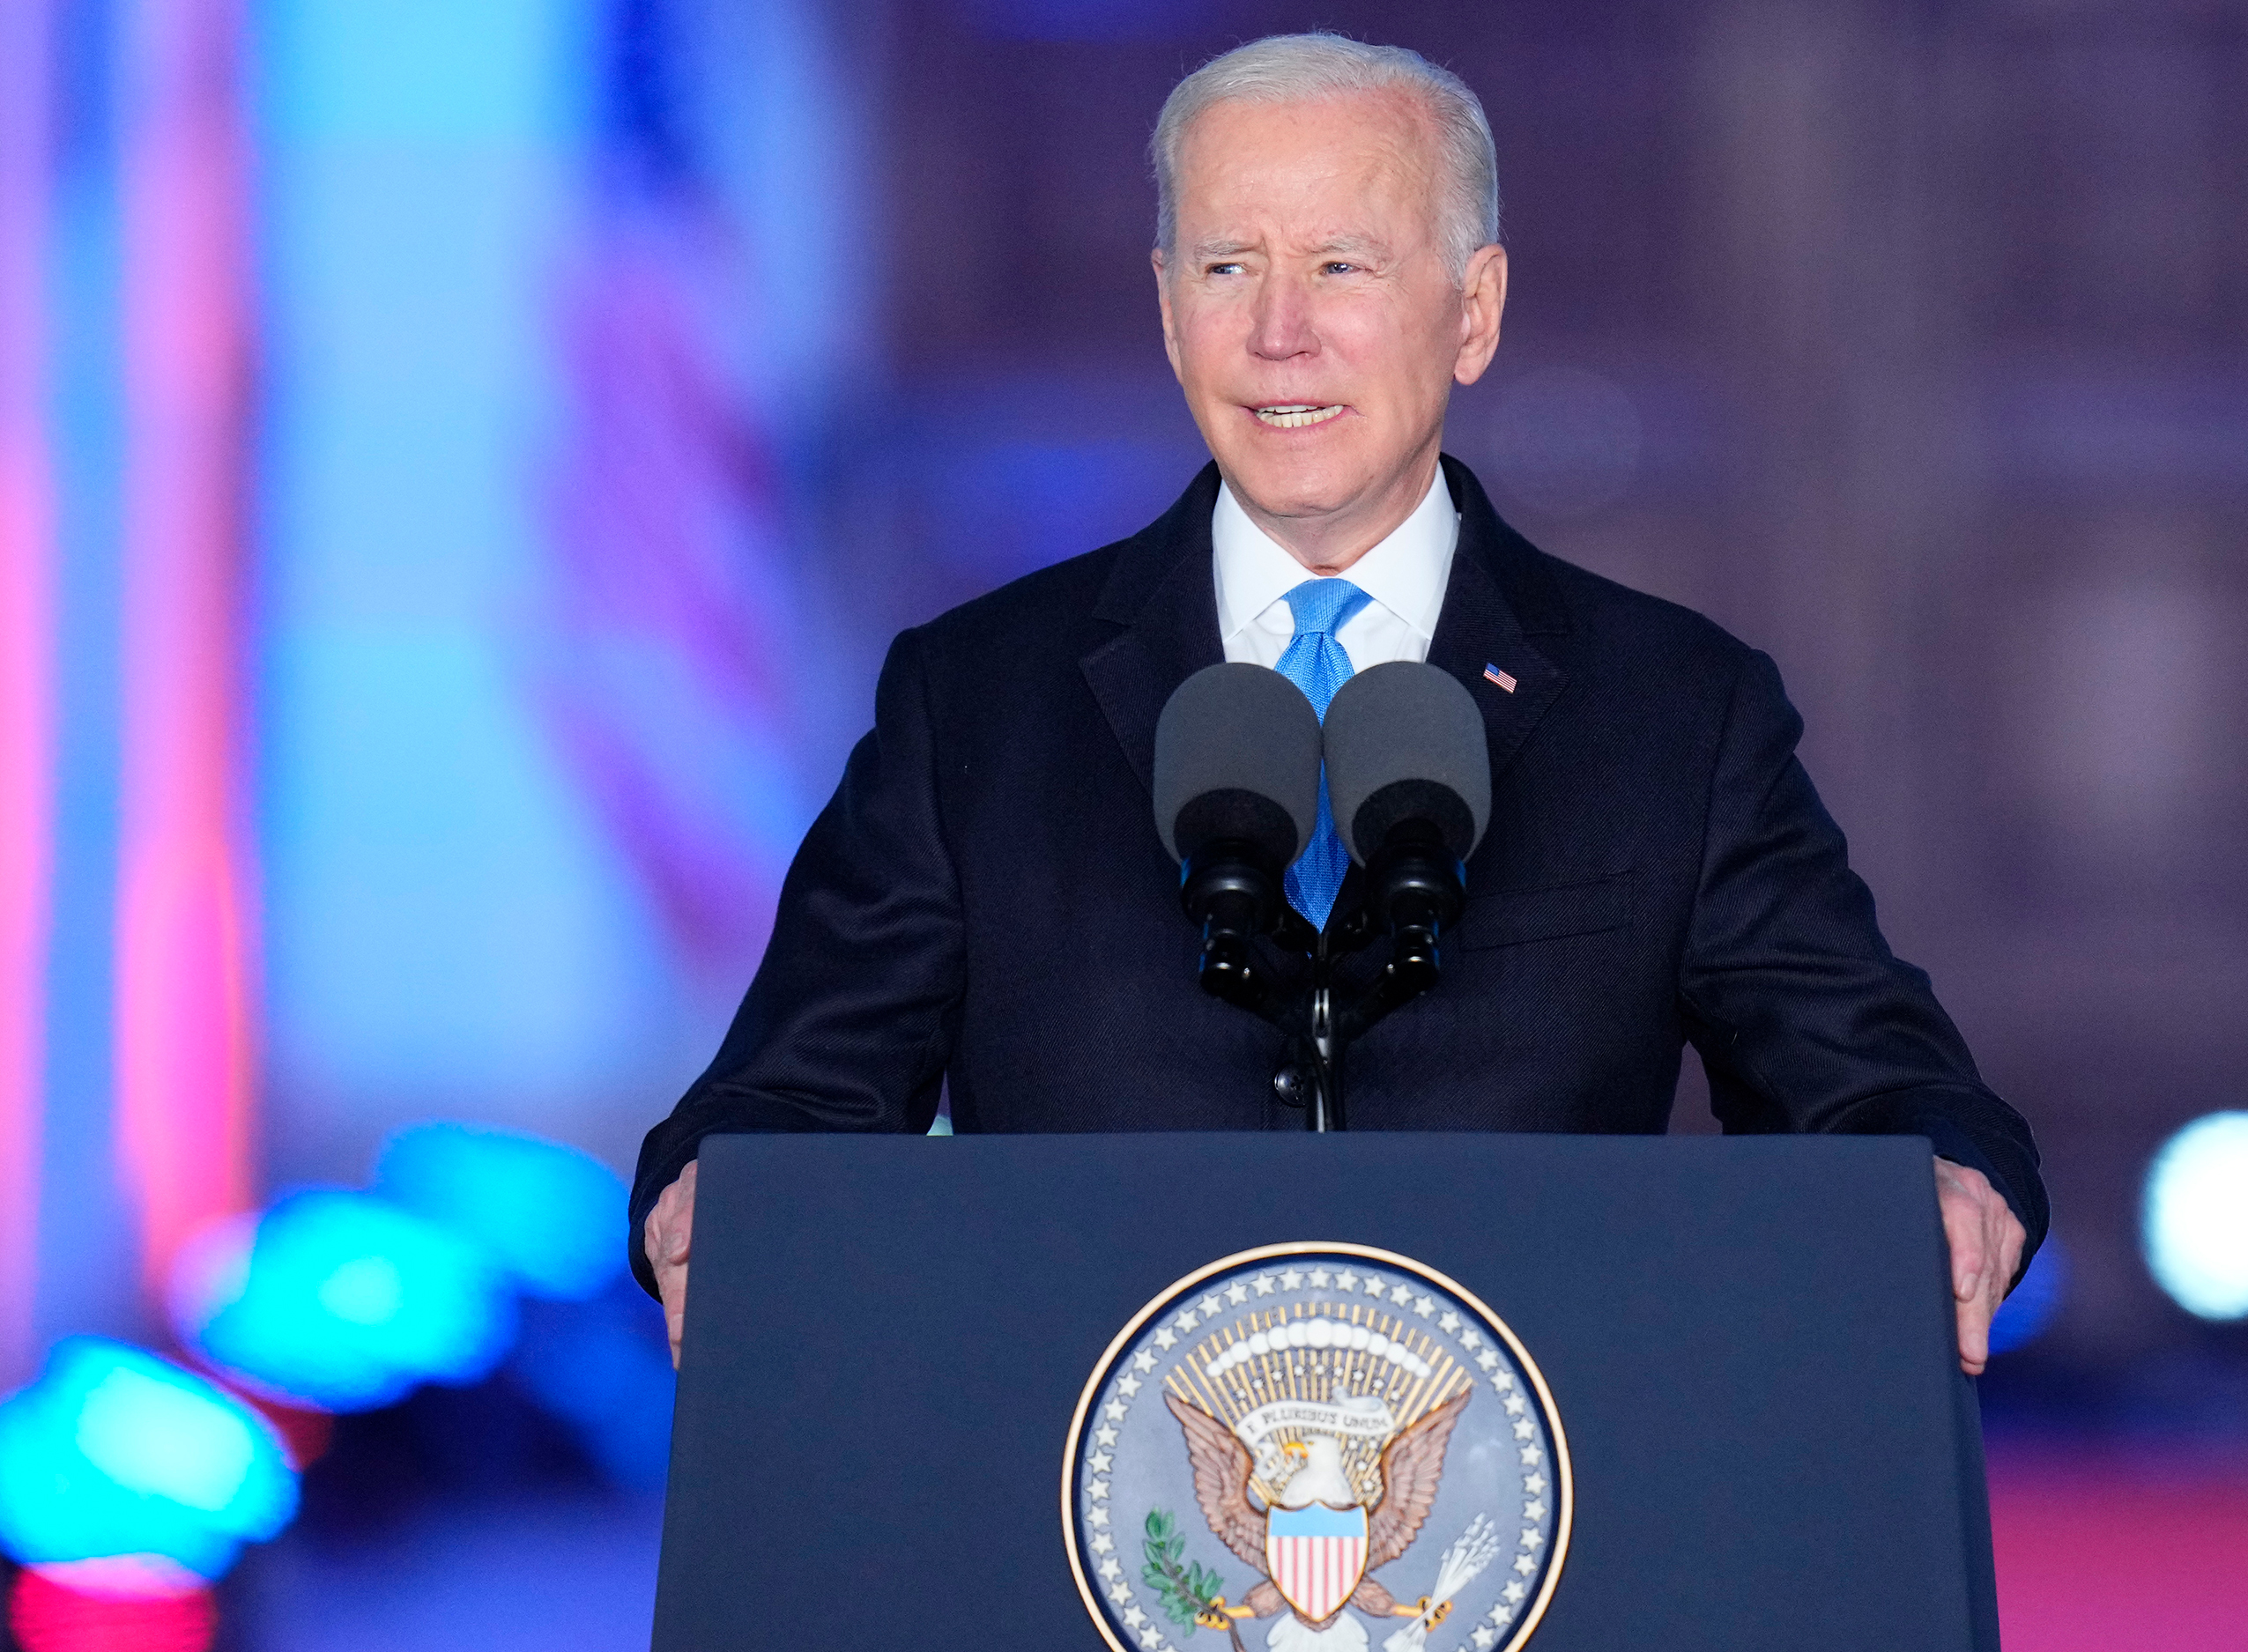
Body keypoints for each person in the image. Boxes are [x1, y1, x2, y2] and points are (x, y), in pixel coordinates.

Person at [633, 33, 2044, 1376]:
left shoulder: (1674, 707)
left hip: (1549, 1505)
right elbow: (790, 1101)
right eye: (1227, 265)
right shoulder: (977, 700)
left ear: (1473, 312)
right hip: (1075, 1500)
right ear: (1170, 310)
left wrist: (1939, 1173)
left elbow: (1867, 1083)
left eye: (1342, 265)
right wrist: (717, 1191)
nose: (1279, 332)